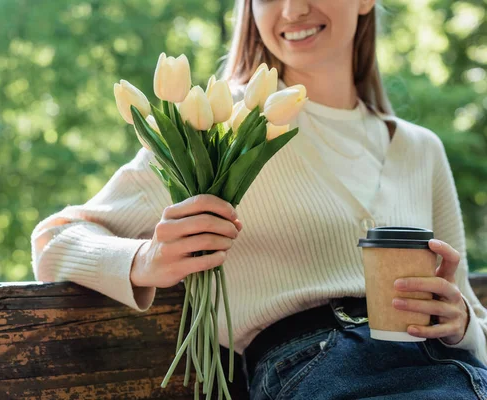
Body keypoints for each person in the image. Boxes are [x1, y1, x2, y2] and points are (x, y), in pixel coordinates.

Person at [31, 0, 487, 398]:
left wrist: (461, 321)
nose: (293, 10)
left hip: (447, 371)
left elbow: (468, 308)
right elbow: (54, 241)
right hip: (315, 371)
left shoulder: (419, 149)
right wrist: (147, 259)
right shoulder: (218, 127)